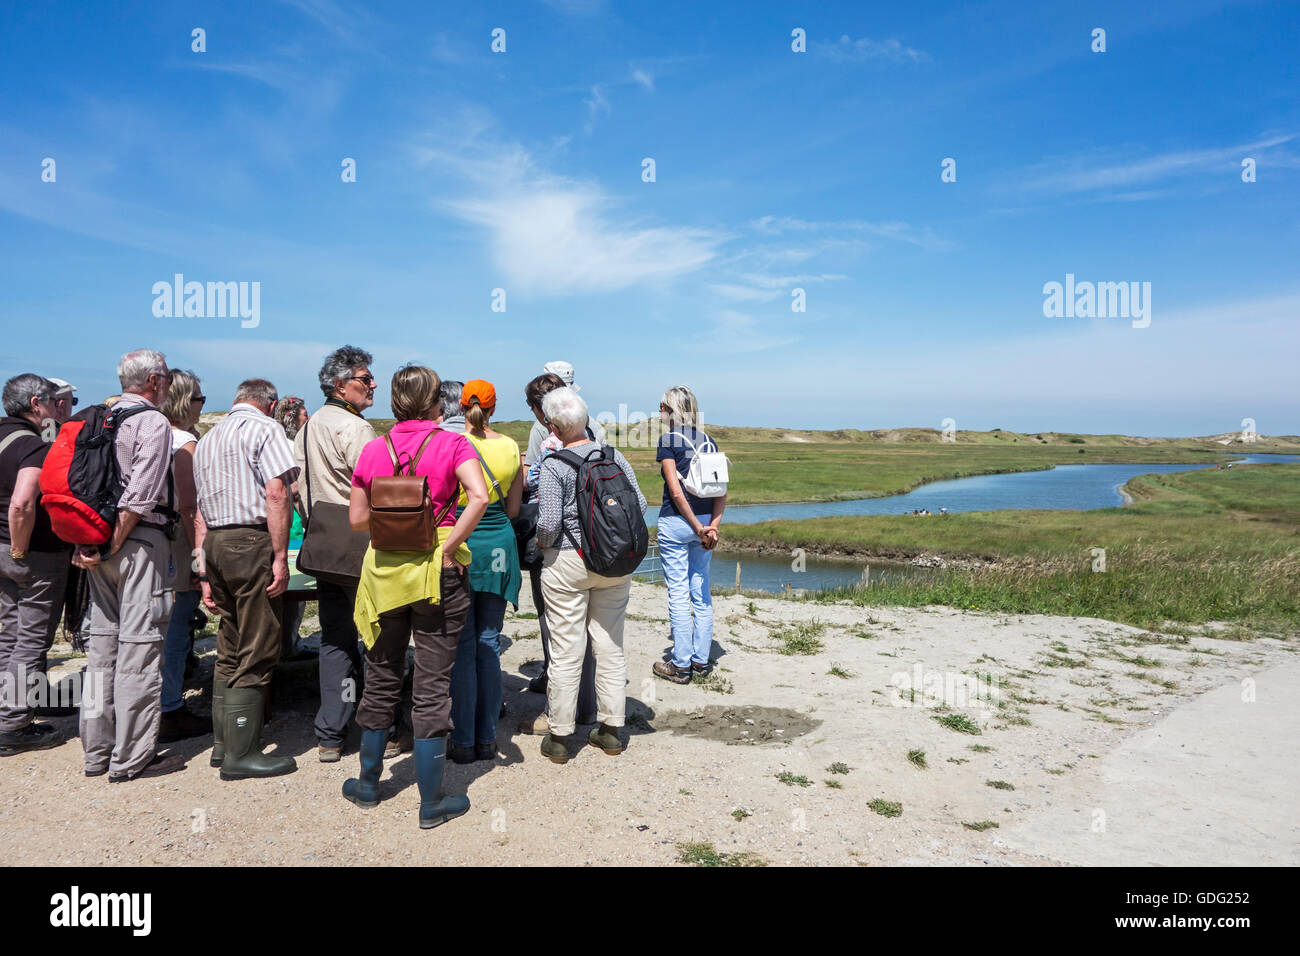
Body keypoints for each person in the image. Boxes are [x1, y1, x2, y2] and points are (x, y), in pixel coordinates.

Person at [343, 365, 488, 828]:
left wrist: (396, 522)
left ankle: (368, 784)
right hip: (437, 572)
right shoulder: (453, 443)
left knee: (381, 673)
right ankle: (431, 802)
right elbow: (479, 496)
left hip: (383, 573)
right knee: (432, 683)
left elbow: (357, 520)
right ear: (436, 402)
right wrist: (445, 543)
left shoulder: (373, 448)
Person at [74, 349, 185, 781]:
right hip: (136, 542)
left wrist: (92, 544)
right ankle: (132, 757)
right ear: (155, 380)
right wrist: (111, 543)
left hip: (94, 543)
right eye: (167, 378)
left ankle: (96, 752)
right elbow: (140, 494)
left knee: (102, 648)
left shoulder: (93, 417)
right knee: (139, 650)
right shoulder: (152, 421)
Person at [194, 379, 299, 779]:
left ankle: (223, 745)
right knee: (258, 642)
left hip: (215, 543)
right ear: (270, 405)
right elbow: (276, 494)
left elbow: (199, 512)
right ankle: (242, 753)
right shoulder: (265, 429)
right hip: (249, 539)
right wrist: (279, 556)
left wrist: (203, 571)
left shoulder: (208, 437)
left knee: (230, 640)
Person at [534, 387, 645, 764]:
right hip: (614, 563)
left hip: (568, 562)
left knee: (566, 650)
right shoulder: (615, 457)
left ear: (553, 425)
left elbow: (548, 522)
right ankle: (611, 729)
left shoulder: (554, 465)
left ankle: (561, 737)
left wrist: (541, 545)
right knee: (610, 644)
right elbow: (640, 504)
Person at [295, 346, 378, 762]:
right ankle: (382, 726)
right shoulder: (356, 429)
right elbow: (378, 489)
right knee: (377, 638)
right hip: (360, 548)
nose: (373, 384)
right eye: (365, 379)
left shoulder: (307, 428)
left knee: (335, 640)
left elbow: (296, 488)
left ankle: (330, 733)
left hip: (323, 546)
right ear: (339, 385)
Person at [517, 373, 598, 734]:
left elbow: (539, 487)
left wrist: (544, 541)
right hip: (596, 539)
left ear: (542, 410)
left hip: (560, 546)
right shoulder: (592, 424)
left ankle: (558, 713)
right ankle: (590, 708)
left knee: (555, 625)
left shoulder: (545, 437)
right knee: (593, 629)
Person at [448, 380, 522, 764]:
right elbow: (513, 509)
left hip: (460, 542)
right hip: (497, 543)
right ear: (494, 408)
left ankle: (461, 740)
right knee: (489, 642)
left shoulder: (452, 444)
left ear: (461, 406)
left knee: (462, 644)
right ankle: (487, 738)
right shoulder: (510, 447)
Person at [0, 374, 72, 756]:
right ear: (35, 403)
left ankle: (5, 710)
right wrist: (20, 547)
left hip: (2, 550)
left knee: (8, 634)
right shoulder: (31, 446)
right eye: (51, 401)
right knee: (30, 640)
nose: (56, 408)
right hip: (32, 555)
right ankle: (14, 724)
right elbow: (22, 503)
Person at [652, 386, 726, 685]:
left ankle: (680, 664)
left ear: (669, 409)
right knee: (701, 591)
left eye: (661, 406)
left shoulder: (668, 441)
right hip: (707, 525)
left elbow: (675, 490)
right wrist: (712, 527)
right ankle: (700, 659)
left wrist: (695, 525)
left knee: (679, 593)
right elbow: (721, 490)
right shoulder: (709, 443)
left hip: (677, 522)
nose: (658, 411)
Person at [156, 369, 208, 743]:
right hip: (175, 542)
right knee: (176, 629)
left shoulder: (146, 432)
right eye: (199, 399)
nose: (202, 406)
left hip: (142, 540)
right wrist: (198, 559)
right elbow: (189, 506)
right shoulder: (184, 441)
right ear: (184, 402)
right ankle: (170, 707)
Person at [273, 396, 309, 657]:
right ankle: (289, 644)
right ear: (293, 419)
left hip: (276, 525)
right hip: (294, 525)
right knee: (296, 590)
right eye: (304, 417)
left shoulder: (272, 445)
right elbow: (297, 491)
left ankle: (279, 645)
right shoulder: (292, 449)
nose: (307, 421)